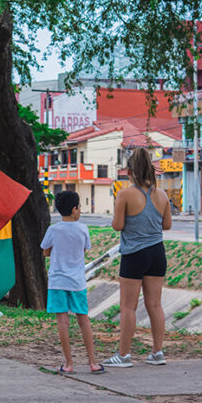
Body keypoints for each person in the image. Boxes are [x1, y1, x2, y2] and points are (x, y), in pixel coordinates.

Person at [103, 148, 172, 368]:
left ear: (131, 172)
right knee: (155, 305)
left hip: (134, 254)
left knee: (128, 307)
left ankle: (123, 355)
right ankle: (157, 352)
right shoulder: (161, 195)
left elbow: (118, 225)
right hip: (157, 253)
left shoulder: (125, 194)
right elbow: (167, 225)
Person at [41, 191, 105, 375]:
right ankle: (93, 362)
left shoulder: (53, 230)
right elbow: (84, 251)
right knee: (83, 319)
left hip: (57, 281)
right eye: (79, 208)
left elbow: (45, 252)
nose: (80, 211)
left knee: (62, 321)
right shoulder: (83, 229)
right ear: (74, 209)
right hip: (77, 282)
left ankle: (68, 364)